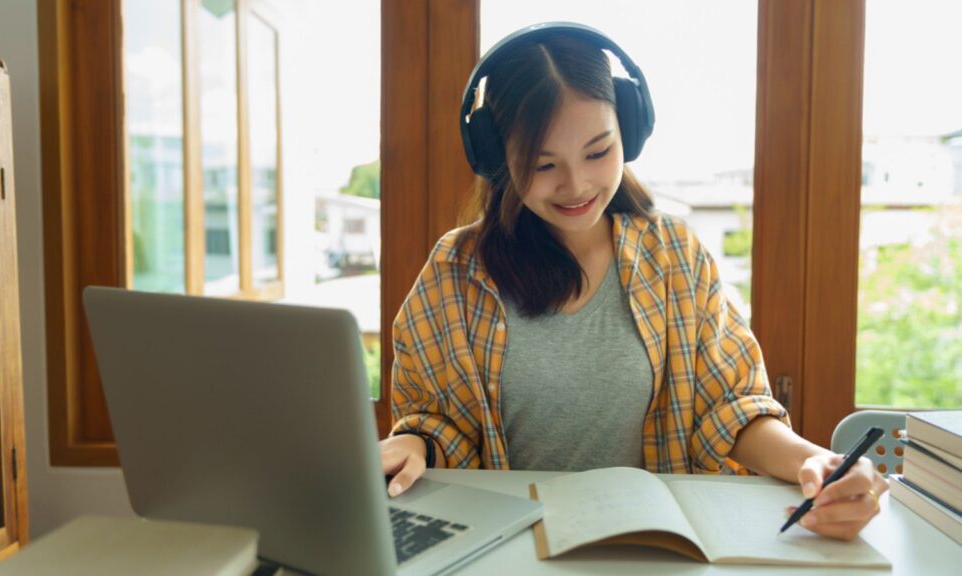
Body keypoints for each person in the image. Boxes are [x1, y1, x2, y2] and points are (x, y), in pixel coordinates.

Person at [378, 22, 887, 541]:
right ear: (497, 157)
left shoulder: (674, 255)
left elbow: (730, 410)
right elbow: (438, 421)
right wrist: (415, 443)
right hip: (506, 551)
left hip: (653, 551)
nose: (576, 185)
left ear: (630, 129)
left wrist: (817, 462)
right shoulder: (456, 271)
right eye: (543, 164)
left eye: (598, 153)